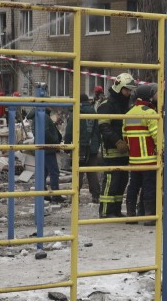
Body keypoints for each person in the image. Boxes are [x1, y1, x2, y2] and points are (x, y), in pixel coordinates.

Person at [97, 72, 134, 218]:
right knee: (111, 181)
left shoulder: (125, 104)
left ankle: (116, 210)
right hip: (111, 149)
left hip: (124, 150)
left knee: (122, 180)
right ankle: (106, 211)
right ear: (119, 87)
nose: (129, 93)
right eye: (127, 90)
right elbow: (104, 127)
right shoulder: (106, 105)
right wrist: (117, 141)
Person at [123, 84, 159, 224]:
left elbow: (125, 136)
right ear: (149, 96)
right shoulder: (150, 113)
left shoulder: (129, 114)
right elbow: (157, 136)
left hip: (134, 159)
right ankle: (149, 217)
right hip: (149, 159)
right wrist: (163, 151)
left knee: (133, 186)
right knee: (149, 187)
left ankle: (131, 215)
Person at [64, 94, 101, 203]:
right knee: (92, 172)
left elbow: (69, 130)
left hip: (78, 147)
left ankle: (75, 195)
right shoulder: (93, 112)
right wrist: (97, 144)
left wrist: (67, 145)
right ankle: (95, 196)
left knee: (77, 172)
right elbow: (97, 130)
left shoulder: (76, 112)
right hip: (92, 147)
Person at [42, 108, 65, 203]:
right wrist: (55, 141)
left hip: (45, 148)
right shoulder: (44, 116)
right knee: (54, 172)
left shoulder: (43, 115)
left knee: (44, 171)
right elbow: (46, 132)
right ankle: (55, 195)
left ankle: (43, 193)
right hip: (48, 148)